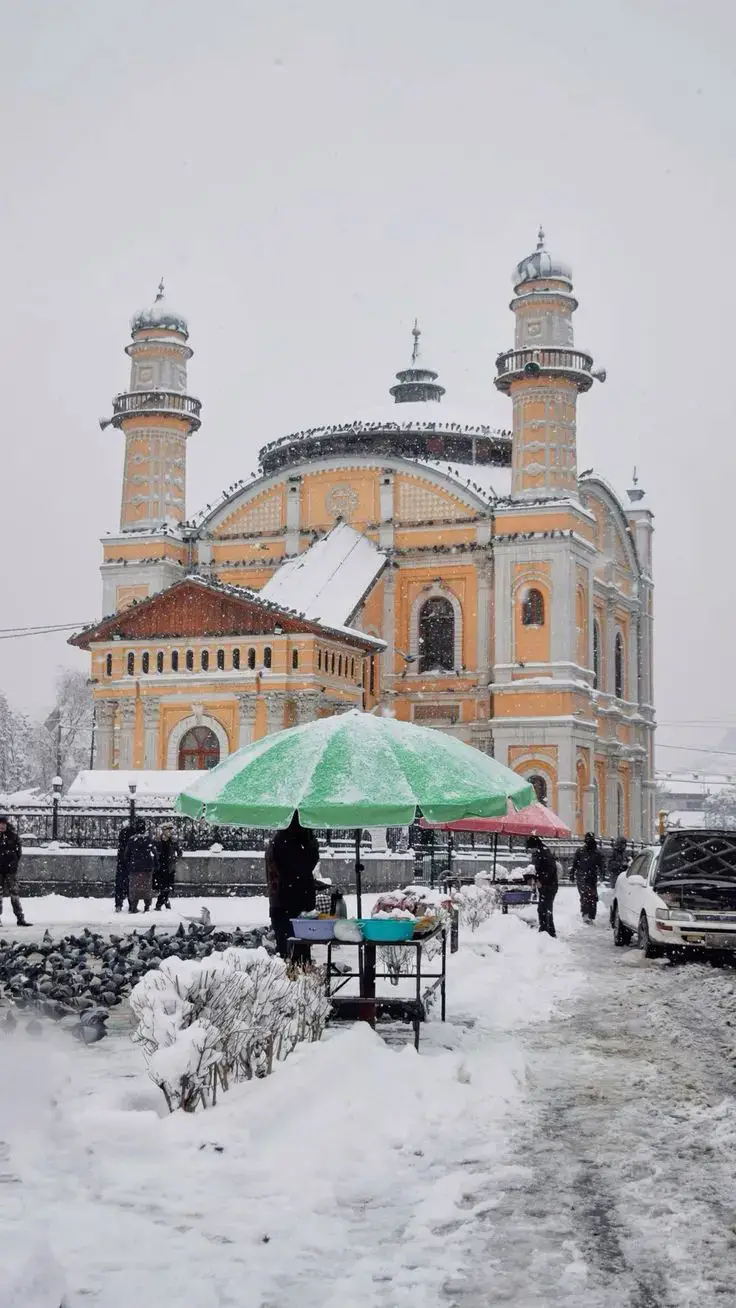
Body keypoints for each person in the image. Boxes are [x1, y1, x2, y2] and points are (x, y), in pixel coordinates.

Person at [265, 812, 319, 959]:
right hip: (289, 904)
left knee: (291, 952)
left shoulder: (281, 840)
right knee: (294, 953)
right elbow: (303, 866)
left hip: (284, 903)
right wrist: (311, 844)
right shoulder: (289, 842)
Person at [526, 834, 558, 937]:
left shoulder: (544, 853)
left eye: (531, 849)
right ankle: (547, 931)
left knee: (545, 908)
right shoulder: (540, 852)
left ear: (535, 846)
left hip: (549, 885)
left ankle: (547, 932)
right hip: (546, 885)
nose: (530, 851)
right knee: (543, 908)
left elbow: (550, 870)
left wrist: (542, 881)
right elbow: (539, 869)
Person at [123, 818, 157, 913]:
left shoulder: (132, 840)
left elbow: (126, 855)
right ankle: (147, 906)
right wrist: (155, 864)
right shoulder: (148, 840)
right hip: (147, 868)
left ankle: (134, 905)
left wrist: (129, 865)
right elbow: (154, 853)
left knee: (135, 888)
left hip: (135, 868)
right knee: (147, 888)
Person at [0, 815, 28, 926]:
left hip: (11, 870)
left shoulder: (13, 836)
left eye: (3, 823)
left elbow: (18, 851)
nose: (2, 826)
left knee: (15, 894)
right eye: (0, 823)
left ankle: (20, 918)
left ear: (7, 824)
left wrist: (13, 862)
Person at [572, 832, 604, 922]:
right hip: (582, 876)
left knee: (592, 897)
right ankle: (585, 914)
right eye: (587, 839)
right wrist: (572, 873)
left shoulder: (596, 853)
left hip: (591, 877)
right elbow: (575, 863)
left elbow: (601, 865)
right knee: (584, 895)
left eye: (589, 839)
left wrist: (602, 873)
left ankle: (590, 915)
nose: (588, 841)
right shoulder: (581, 851)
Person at [154, 823, 182, 909]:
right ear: (163, 831)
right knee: (162, 886)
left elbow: (179, 852)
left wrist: (175, 858)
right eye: (167, 830)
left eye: (170, 830)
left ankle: (161, 902)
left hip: (169, 866)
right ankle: (163, 901)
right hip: (160, 866)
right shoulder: (158, 840)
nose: (169, 832)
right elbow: (153, 851)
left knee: (168, 886)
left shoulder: (173, 841)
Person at [115, 818, 134, 913]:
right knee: (130, 884)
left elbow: (120, 845)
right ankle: (131, 904)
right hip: (130, 861)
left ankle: (118, 904)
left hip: (122, 861)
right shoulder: (133, 834)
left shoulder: (123, 833)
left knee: (119, 884)